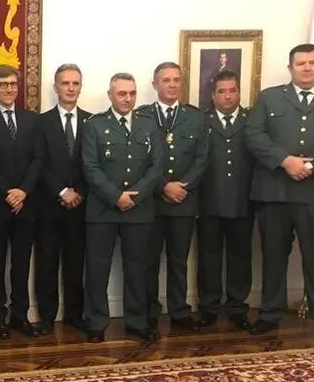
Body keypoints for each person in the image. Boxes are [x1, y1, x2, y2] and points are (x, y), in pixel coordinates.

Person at [245, 43, 314, 352]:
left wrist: (311, 165)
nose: (307, 68)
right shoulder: (269, 97)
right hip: (275, 191)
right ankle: (270, 313)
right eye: (301, 63)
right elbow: (254, 135)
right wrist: (285, 161)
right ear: (290, 67)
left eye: (313, 63)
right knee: (273, 255)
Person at [82, 73, 163, 343]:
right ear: (110, 95)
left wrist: (134, 197)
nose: (127, 99)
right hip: (103, 209)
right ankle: (95, 322)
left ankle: (137, 321)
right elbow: (90, 167)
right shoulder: (94, 125)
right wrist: (116, 196)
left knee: (138, 268)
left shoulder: (149, 126)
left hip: (138, 210)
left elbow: (156, 167)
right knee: (97, 268)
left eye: (131, 93)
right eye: (121, 94)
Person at [136, 62, 209, 333]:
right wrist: (163, 185)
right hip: (151, 201)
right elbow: (140, 160)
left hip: (184, 201)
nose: (171, 85)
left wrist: (183, 186)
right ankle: (149, 310)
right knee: (149, 259)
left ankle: (179, 310)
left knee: (179, 260)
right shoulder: (141, 116)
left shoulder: (196, 117)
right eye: (165, 80)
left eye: (176, 80)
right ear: (154, 84)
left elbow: (202, 158)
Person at [0, 65, 43, 339]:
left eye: (13, 84)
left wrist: (23, 191)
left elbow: (38, 159)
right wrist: (8, 192)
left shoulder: (31, 120)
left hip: (26, 204)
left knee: (22, 262)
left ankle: (20, 315)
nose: (9, 89)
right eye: (3, 84)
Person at [34, 63, 90, 331]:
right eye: (65, 83)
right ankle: (46, 318)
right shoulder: (40, 122)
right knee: (46, 264)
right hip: (49, 205)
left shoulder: (92, 121)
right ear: (56, 87)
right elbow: (38, 163)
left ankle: (74, 315)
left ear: (80, 87)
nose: (70, 88)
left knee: (75, 264)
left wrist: (77, 191)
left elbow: (94, 163)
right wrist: (61, 190)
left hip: (81, 206)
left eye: (75, 83)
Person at [197, 71, 254, 329]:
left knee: (240, 256)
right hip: (209, 201)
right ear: (213, 95)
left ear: (239, 92)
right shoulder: (202, 121)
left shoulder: (252, 120)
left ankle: (237, 306)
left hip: (243, 200)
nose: (228, 96)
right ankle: (209, 306)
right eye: (222, 91)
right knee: (208, 257)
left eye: (232, 90)